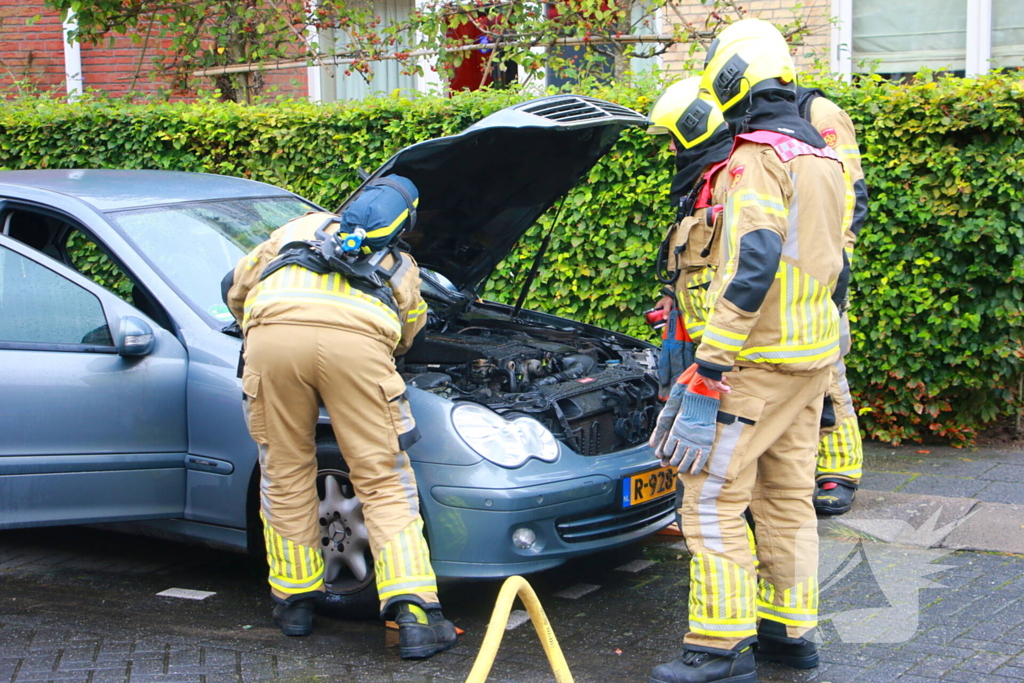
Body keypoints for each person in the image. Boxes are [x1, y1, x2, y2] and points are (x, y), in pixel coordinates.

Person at [648, 17, 847, 683]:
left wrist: (709, 364)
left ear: (733, 83)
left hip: (754, 366)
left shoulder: (756, 158)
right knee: (787, 499)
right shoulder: (821, 157)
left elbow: (754, 260)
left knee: (709, 497)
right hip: (809, 360)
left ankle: (716, 647)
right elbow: (836, 268)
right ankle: (790, 636)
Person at [224, 176, 457, 659]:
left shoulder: (298, 227)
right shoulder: (399, 263)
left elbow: (237, 286)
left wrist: (265, 321)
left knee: (285, 469)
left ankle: (295, 604)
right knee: (382, 478)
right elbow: (409, 333)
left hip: (273, 339)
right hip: (358, 348)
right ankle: (414, 614)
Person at [797, 86, 870, 516]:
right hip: (785, 262)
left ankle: (839, 469)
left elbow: (850, 195)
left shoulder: (818, 112)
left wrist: (835, 265)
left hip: (822, 265)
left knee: (829, 369)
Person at [647, 76, 733, 398]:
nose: (671, 147)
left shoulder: (726, 179)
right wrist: (672, 291)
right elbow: (696, 247)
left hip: (724, 352)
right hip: (701, 340)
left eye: (673, 136)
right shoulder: (701, 180)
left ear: (694, 127)